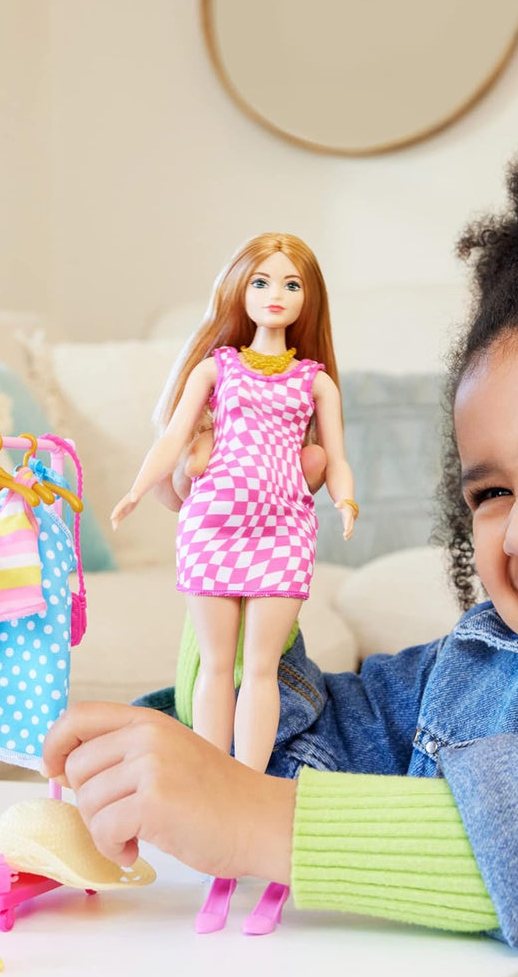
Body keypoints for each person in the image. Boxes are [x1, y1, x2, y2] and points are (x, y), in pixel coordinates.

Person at [43, 101, 518, 977]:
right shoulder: (471, 673)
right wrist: (223, 567)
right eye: (492, 491)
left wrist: (262, 820)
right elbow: (264, 760)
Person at [108, 232, 356, 932]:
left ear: (307, 301)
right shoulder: (217, 369)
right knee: (217, 664)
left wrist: (345, 499)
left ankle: (244, 799)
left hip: (282, 528)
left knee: (261, 668)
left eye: (290, 286)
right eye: (261, 283)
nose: (275, 296)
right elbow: (173, 436)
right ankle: (213, 796)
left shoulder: (315, 381)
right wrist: (137, 490)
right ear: (239, 292)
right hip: (215, 523)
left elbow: (335, 454)